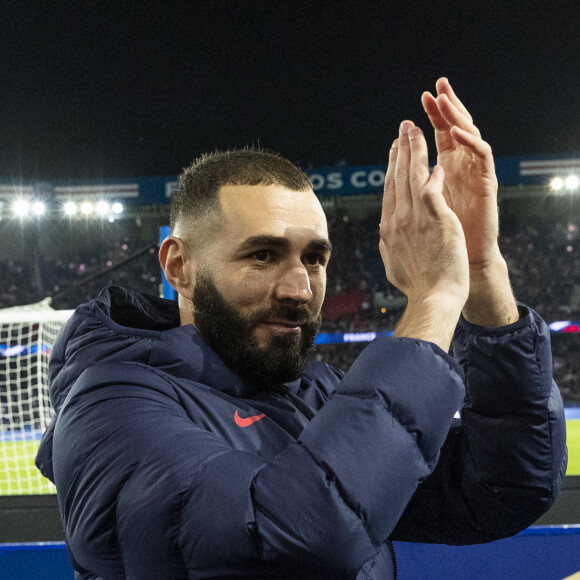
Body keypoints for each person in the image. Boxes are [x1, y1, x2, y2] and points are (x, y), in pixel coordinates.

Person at [36, 78, 567, 579]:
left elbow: (502, 487)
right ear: (179, 267)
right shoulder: (110, 406)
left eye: (315, 258)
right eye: (263, 254)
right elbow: (296, 536)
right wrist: (433, 298)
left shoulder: (315, 395)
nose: (300, 288)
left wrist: (479, 272)